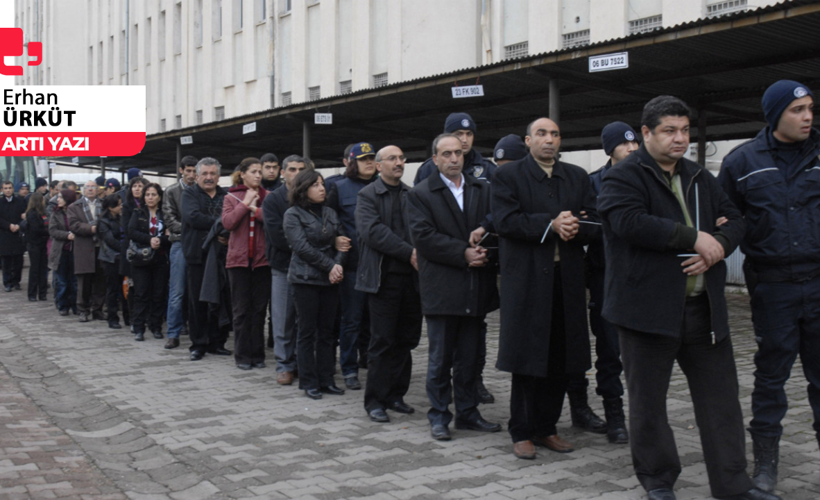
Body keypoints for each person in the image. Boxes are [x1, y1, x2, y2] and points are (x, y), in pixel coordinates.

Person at [598, 96, 778, 500]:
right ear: (646, 133)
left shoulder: (700, 176)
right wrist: (693, 236)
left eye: (684, 130)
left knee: (722, 403)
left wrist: (717, 243)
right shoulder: (624, 176)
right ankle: (659, 481)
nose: (679, 139)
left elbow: (735, 219)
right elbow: (629, 222)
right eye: (669, 131)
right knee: (648, 405)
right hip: (645, 312)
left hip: (704, 310)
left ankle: (733, 485)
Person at [718, 80, 819, 493]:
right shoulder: (742, 162)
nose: (808, 116)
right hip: (773, 287)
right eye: (798, 110)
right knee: (771, 378)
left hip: (819, 283)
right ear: (775, 114)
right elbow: (725, 219)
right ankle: (765, 468)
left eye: (811, 108)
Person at [492, 118, 601, 460]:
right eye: (542, 134)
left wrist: (574, 227)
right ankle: (522, 430)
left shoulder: (576, 177)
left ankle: (547, 428)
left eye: (555, 133)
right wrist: (550, 224)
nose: (549, 140)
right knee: (528, 356)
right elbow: (505, 222)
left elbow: (595, 220)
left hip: (565, 280)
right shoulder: (508, 177)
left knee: (561, 356)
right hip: (526, 281)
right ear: (528, 140)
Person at [407, 133, 501, 442]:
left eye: (458, 153)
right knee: (440, 359)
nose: (453, 159)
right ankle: (438, 415)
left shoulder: (481, 188)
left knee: (469, 358)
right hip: (442, 289)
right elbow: (424, 237)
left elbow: (496, 219)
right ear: (434, 159)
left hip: (475, 288)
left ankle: (468, 413)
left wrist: (486, 234)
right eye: (446, 154)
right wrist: (463, 253)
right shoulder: (421, 193)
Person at [567, 122, 639, 445]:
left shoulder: (648, 178)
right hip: (604, 276)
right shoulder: (593, 182)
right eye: (625, 144)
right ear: (610, 148)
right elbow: (584, 225)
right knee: (609, 348)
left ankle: (644, 414)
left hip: (640, 276)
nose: (632, 148)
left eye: (635, 142)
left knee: (639, 351)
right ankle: (615, 417)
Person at [356, 145, 422, 423]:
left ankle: (396, 395)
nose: (398, 162)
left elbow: (421, 228)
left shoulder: (413, 195)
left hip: (413, 279)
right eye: (392, 158)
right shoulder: (367, 195)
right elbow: (373, 232)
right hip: (383, 279)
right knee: (382, 340)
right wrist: (410, 252)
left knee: (405, 340)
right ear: (379, 165)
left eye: (401, 158)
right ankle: (375, 401)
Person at [283, 169, 347, 400]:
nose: (322, 188)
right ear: (303, 189)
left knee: (327, 332)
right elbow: (301, 248)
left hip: (330, 280)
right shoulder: (293, 214)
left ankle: (327, 379)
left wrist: (337, 265)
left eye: (322, 184)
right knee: (306, 331)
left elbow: (342, 241)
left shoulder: (330, 212)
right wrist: (331, 265)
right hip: (305, 280)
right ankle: (309, 381)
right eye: (316, 184)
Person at [326, 142, 377, 391]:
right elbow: (329, 219)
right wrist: (335, 237)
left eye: (372, 158)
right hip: (353, 265)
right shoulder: (338, 187)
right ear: (352, 162)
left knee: (375, 320)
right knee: (351, 320)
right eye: (364, 158)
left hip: (380, 265)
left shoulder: (383, 187)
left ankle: (372, 360)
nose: (369, 162)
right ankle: (349, 369)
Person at [262, 155, 308, 385]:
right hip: (283, 266)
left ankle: (301, 362)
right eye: (292, 169)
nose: (297, 173)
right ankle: (284, 365)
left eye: (301, 169)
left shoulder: (313, 198)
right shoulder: (273, 201)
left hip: (310, 268)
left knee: (305, 318)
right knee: (283, 319)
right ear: (283, 172)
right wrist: (307, 248)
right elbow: (277, 236)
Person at [223, 158, 271, 370]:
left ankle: (258, 355)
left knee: (259, 310)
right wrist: (245, 205)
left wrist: (255, 209)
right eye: (253, 172)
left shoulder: (268, 197)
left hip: (262, 262)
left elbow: (272, 220)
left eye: (260, 172)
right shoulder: (231, 196)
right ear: (242, 174)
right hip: (238, 262)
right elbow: (228, 223)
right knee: (241, 311)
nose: (258, 176)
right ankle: (242, 356)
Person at [182, 157, 232, 361]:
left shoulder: (226, 195)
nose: (209, 178)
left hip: (222, 256)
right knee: (197, 302)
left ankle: (217, 342)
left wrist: (225, 228)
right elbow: (193, 217)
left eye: (213, 174)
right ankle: (198, 344)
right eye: (205, 174)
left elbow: (234, 219)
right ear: (197, 175)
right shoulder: (190, 194)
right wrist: (222, 223)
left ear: (219, 176)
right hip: (197, 256)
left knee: (221, 299)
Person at [128, 183, 171, 342]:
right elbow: (131, 232)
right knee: (141, 294)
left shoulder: (165, 214)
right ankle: (139, 328)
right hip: (141, 259)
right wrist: (149, 239)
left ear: (159, 197)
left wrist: (160, 240)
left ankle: (156, 326)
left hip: (160, 259)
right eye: (147, 195)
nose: (150, 198)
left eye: (153, 194)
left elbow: (171, 234)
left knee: (158, 294)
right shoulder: (138, 213)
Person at [163, 155, 197, 349]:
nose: (192, 175)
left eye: (194, 171)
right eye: (189, 171)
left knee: (197, 290)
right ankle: (173, 333)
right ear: (181, 170)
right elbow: (169, 219)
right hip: (180, 243)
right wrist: (191, 229)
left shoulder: (201, 190)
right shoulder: (172, 191)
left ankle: (197, 331)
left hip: (197, 244)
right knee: (177, 291)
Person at [413, 113, 497, 185]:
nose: (464, 140)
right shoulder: (428, 169)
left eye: (469, 134)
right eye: (459, 134)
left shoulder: (488, 168)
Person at [68, 180, 106, 323]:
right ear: (83, 190)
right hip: (84, 247)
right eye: (88, 187)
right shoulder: (74, 206)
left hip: (101, 247)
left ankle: (98, 310)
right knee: (84, 281)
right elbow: (73, 225)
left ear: (97, 190)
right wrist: (91, 229)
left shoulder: (103, 204)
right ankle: (83, 310)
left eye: (93, 187)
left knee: (100, 280)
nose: (90, 189)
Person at [121, 177, 148, 329]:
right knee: (132, 287)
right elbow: (127, 228)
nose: (137, 189)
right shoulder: (127, 206)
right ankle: (132, 318)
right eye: (135, 186)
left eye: (141, 186)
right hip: (132, 251)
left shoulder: (151, 205)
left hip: (149, 250)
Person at [98, 194, 128, 330]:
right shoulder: (103, 221)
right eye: (118, 205)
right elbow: (109, 240)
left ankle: (128, 317)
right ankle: (112, 317)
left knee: (126, 289)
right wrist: (125, 249)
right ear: (110, 207)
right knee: (112, 289)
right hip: (110, 259)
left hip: (123, 257)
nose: (121, 206)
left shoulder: (121, 218)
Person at [49, 189, 78, 315]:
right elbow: (53, 231)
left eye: (60, 197)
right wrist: (67, 235)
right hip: (61, 251)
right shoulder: (56, 212)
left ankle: (76, 305)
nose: (58, 199)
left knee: (74, 280)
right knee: (61, 280)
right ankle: (62, 305)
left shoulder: (76, 211)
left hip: (75, 250)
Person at [0, 180, 26, 292]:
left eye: (9, 188)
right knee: (6, 261)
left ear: (13, 189)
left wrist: (19, 225)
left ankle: (16, 281)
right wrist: (9, 225)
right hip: (4, 234)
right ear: (2, 190)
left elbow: (25, 216)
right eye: (5, 188)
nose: (8, 190)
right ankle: (7, 282)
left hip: (17, 234)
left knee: (18, 260)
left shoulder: (20, 201)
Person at [25, 192, 49, 301]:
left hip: (43, 244)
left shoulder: (43, 213)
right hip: (34, 244)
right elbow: (35, 229)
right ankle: (32, 293)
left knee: (43, 268)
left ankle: (42, 293)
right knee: (35, 269)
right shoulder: (31, 213)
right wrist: (46, 231)